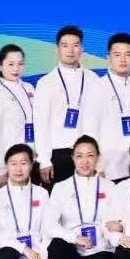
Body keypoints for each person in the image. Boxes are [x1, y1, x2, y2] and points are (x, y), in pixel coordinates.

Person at [43, 135, 116, 259]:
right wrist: (73, 237)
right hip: (73, 251)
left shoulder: (110, 187)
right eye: (79, 156)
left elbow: (117, 220)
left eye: (90, 155)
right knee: (56, 245)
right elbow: (48, 225)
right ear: (73, 158)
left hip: (100, 250)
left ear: (97, 158)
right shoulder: (61, 187)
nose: (85, 161)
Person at [32, 25, 95, 185]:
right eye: (65, 45)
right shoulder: (46, 82)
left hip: (88, 154)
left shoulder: (93, 79)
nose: (70, 50)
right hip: (57, 155)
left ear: (82, 48)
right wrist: (44, 159)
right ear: (57, 49)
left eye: (75, 45)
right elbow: (40, 123)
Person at [0, 43, 36, 191]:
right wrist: (0, 169)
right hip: (6, 166)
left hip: (29, 161)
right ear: (0, 66)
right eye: (10, 64)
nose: (15, 69)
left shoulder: (29, 88)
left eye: (20, 64)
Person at [93, 33, 130, 182]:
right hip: (109, 167)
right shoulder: (97, 87)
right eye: (117, 55)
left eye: (127, 54)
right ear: (108, 58)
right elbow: (91, 128)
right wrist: (97, 165)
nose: (123, 59)